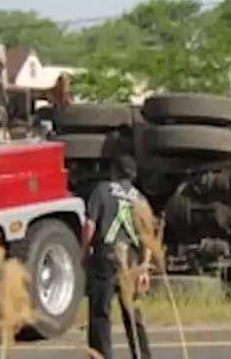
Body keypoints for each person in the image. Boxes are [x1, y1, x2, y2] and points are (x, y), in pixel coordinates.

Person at [82, 154, 153, 359]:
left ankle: (102, 355)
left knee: (100, 314)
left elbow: (89, 225)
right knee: (133, 315)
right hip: (131, 261)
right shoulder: (140, 199)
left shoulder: (102, 190)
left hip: (106, 257)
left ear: (114, 171)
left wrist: (84, 252)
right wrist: (145, 267)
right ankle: (142, 355)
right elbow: (148, 236)